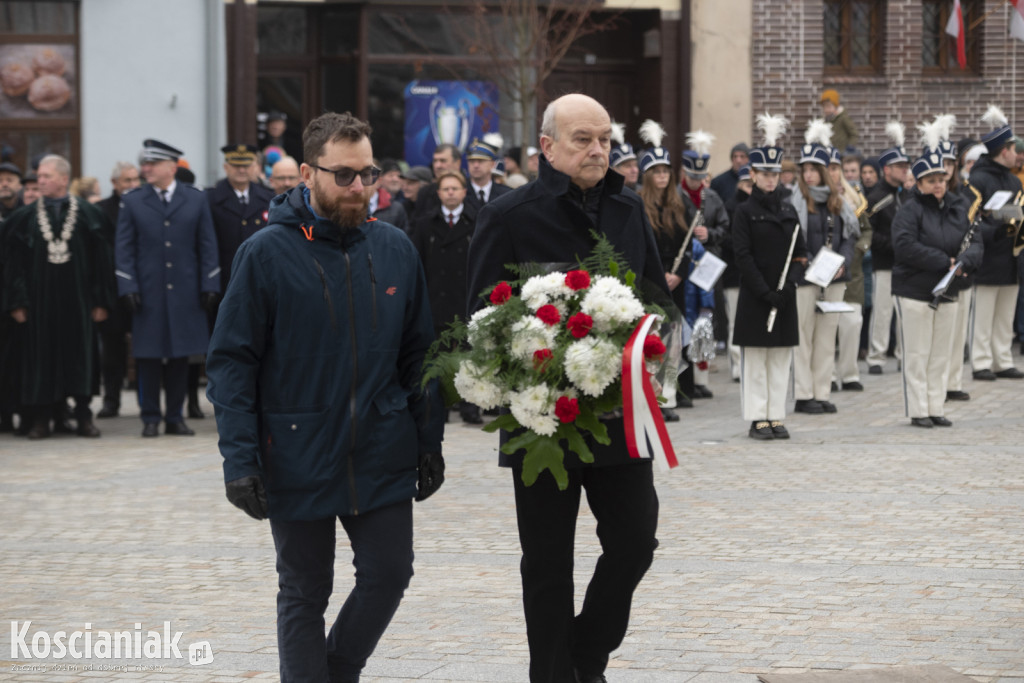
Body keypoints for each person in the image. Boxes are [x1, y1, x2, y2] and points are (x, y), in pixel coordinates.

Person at [206, 111, 445, 683]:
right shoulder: (264, 253)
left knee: (390, 573)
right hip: (295, 449)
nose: (360, 187)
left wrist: (428, 440)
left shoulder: (394, 248)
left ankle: (337, 670)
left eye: (369, 173)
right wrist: (240, 461)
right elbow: (232, 363)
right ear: (309, 174)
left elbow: (420, 354)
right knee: (305, 589)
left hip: (382, 446)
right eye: (344, 175)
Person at [466, 93, 666, 683]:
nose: (598, 149)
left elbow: (656, 295)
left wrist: (647, 339)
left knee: (635, 542)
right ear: (547, 148)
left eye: (605, 138)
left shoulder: (629, 209)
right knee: (549, 563)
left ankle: (586, 655)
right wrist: (540, 354)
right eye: (583, 138)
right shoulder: (507, 216)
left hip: (617, 412)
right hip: (541, 418)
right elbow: (480, 315)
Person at [3, 154, 113, 439]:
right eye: (39, 176)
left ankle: (83, 415)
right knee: (41, 357)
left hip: (79, 302)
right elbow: (13, 265)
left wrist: (101, 300)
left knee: (80, 354)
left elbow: (102, 260)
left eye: (46, 176)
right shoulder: (23, 218)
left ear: (64, 179)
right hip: (38, 303)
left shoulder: (90, 215)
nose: (40, 181)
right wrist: (17, 301)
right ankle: (42, 418)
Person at [115, 139, 220, 438]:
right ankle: (150, 417)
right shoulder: (133, 200)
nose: (145, 168)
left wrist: (209, 283)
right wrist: (128, 286)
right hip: (147, 292)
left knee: (179, 356)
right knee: (147, 356)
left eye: (153, 164)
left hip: (186, 291)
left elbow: (207, 245)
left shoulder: (195, 199)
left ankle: (175, 417)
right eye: (145, 163)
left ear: (172, 167)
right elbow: (124, 249)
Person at [892, 132, 982, 427]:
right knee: (918, 353)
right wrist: (945, 261)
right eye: (931, 181)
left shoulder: (958, 206)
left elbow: (975, 240)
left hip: (948, 289)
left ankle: (935, 406)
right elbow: (905, 246)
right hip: (915, 290)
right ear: (918, 184)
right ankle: (918, 410)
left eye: (941, 179)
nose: (938, 185)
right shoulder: (909, 210)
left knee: (941, 353)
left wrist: (965, 260)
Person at [732, 113, 807, 439]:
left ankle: (776, 415)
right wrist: (764, 291)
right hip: (756, 294)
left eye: (775, 173)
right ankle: (757, 418)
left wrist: (790, 283)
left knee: (780, 359)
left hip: (784, 293)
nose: (771, 179)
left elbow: (800, 253)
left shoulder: (790, 209)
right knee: (756, 360)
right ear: (753, 174)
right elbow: (743, 256)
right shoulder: (744, 212)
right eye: (764, 174)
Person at [788, 121, 857, 414]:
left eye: (814, 169)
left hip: (834, 277)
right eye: (805, 170)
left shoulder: (838, 201)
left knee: (827, 336)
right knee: (803, 335)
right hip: (805, 278)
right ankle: (804, 395)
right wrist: (805, 261)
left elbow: (849, 236)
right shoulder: (794, 201)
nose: (809, 174)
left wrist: (841, 261)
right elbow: (791, 239)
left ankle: (821, 391)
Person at [637, 120, 701, 416]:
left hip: (675, 283)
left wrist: (679, 274)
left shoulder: (682, 204)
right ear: (648, 175)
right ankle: (651, 397)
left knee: (672, 341)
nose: (662, 176)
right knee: (651, 341)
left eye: (666, 171)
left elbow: (688, 248)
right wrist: (657, 275)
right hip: (650, 282)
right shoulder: (638, 204)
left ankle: (669, 399)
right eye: (657, 172)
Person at [411, 169, 481, 423]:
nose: (450, 193)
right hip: (436, 297)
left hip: (465, 296)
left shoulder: (477, 222)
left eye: (455, 188)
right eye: (445, 189)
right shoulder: (425, 224)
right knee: (437, 357)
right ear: (438, 193)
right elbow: (416, 262)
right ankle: (437, 405)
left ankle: (470, 405)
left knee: (469, 355)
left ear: (464, 192)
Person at [967, 106, 1024, 380]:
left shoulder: (1014, 181)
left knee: (1005, 314)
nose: (1018, 155)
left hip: (1011, 255)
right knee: (984, 313)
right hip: (987, 257)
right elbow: (972, 218)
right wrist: (997, 223)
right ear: (1004, 151)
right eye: (1014, 149)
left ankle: (1002, 359)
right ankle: (981, 361)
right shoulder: (977, 179)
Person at [677, 128, 729, 398]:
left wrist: (710, 234)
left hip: (708, 263)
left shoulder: (713, 198)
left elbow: (725, 227)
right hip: (685, 265)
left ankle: (702, 377)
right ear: (685, 174)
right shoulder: (676, 196)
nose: (697, 182)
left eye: (701, 177)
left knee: (705, 318)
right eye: (692, 177)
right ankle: (685, 378)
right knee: (685, 317)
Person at [93, 161, 141, 418]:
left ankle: (147, 401)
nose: (133, 185)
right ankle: (111, 401)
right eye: (127, 181)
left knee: (144, 349)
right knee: (111, 351)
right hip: (111, 291)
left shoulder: (146, 206)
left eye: (136, 180)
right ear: (114, 184)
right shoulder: (101, 210)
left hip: (141, 289)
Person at [866, 122, 911, 375]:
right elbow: (869, 232)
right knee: (882, 312)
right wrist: (894, 244)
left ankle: (903, 355)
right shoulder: (875, 197)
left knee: (905, 312)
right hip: (885, 263)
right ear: (886, 169)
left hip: (907, 265)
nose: (905, 170)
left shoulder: (907, 196)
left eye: (906, 166)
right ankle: (876, 356)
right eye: (900, 167)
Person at [829, 147, 870, 392]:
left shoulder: (854, 197)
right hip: (827, 273)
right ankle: (830, 375)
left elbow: (866, 229)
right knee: (828, 327)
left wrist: (862, 246)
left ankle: (849, 373)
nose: (835, 173)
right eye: (831, 169)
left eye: (837, 169)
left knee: (852, 323)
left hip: (852, 271)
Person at [464, 134, 512, 212]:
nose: (476, 165)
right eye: (472, 161)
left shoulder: (506, 194)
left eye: (481, 161)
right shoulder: (459, 191)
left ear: (492, 164)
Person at [368, 158, 408, 234]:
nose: (395, 179)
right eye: (391, 175)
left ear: (379, 180)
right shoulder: (349, 205)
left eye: (369, 174)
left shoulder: (397, 208)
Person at [820, 89, 858, 153]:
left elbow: (854, 134)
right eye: (824, 107)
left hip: (841, 154)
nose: (826, 110)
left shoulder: (843, 118)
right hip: (828, 153)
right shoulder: (823, 121)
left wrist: (850, 146)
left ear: (835, 106)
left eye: (829, 106)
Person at [609, 122, 639, 190]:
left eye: (635, 165)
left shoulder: (642, 194)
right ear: (614, 170)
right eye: (628, 166)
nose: (634, 170)